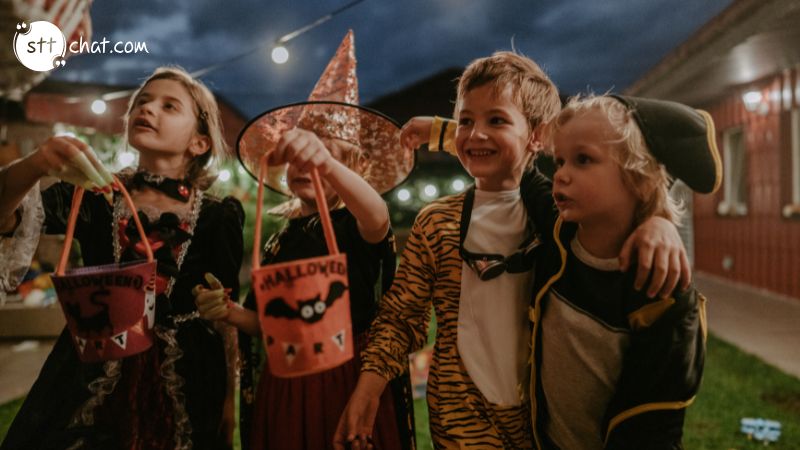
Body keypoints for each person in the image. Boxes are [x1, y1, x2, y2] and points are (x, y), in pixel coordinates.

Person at [335, 52, 691, 449]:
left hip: (538, 423)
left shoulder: (560, 218)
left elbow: (631, 173)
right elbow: (401, 316)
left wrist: (658, 220)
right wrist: (368, 388)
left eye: (496, 119)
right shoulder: (435, 223)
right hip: (459, 418)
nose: (474, 133)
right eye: (466, 120)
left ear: (538, 135)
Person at [0, 66, 244, 450]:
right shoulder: (93, 194)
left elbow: (226, 315)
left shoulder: (219, 214)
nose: (149, 109)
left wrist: (229, 398)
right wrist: (35, 165)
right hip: (92, 364)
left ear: (199, 142)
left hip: (189, 373)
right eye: (142, 102)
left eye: (169, 106)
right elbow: (5, 217)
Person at [195, 31, 415, 450]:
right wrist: (230, 312)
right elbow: (269, 323)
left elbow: (378, 216)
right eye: (297, 158)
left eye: (322, 157)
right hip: (288, 379)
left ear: (348, 166)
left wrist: (325, 163)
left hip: (346, 377)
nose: (304, 166)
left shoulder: (354, 222)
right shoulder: (281, 237)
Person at [528, 94, 714, 449]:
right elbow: (517, 169)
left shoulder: (662, 292)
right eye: (560, 160)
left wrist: (661, 223)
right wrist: (445, 133)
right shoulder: (557, 234)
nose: (561, 174)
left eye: (583, 160)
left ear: (640, 180)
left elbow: (655, 427)